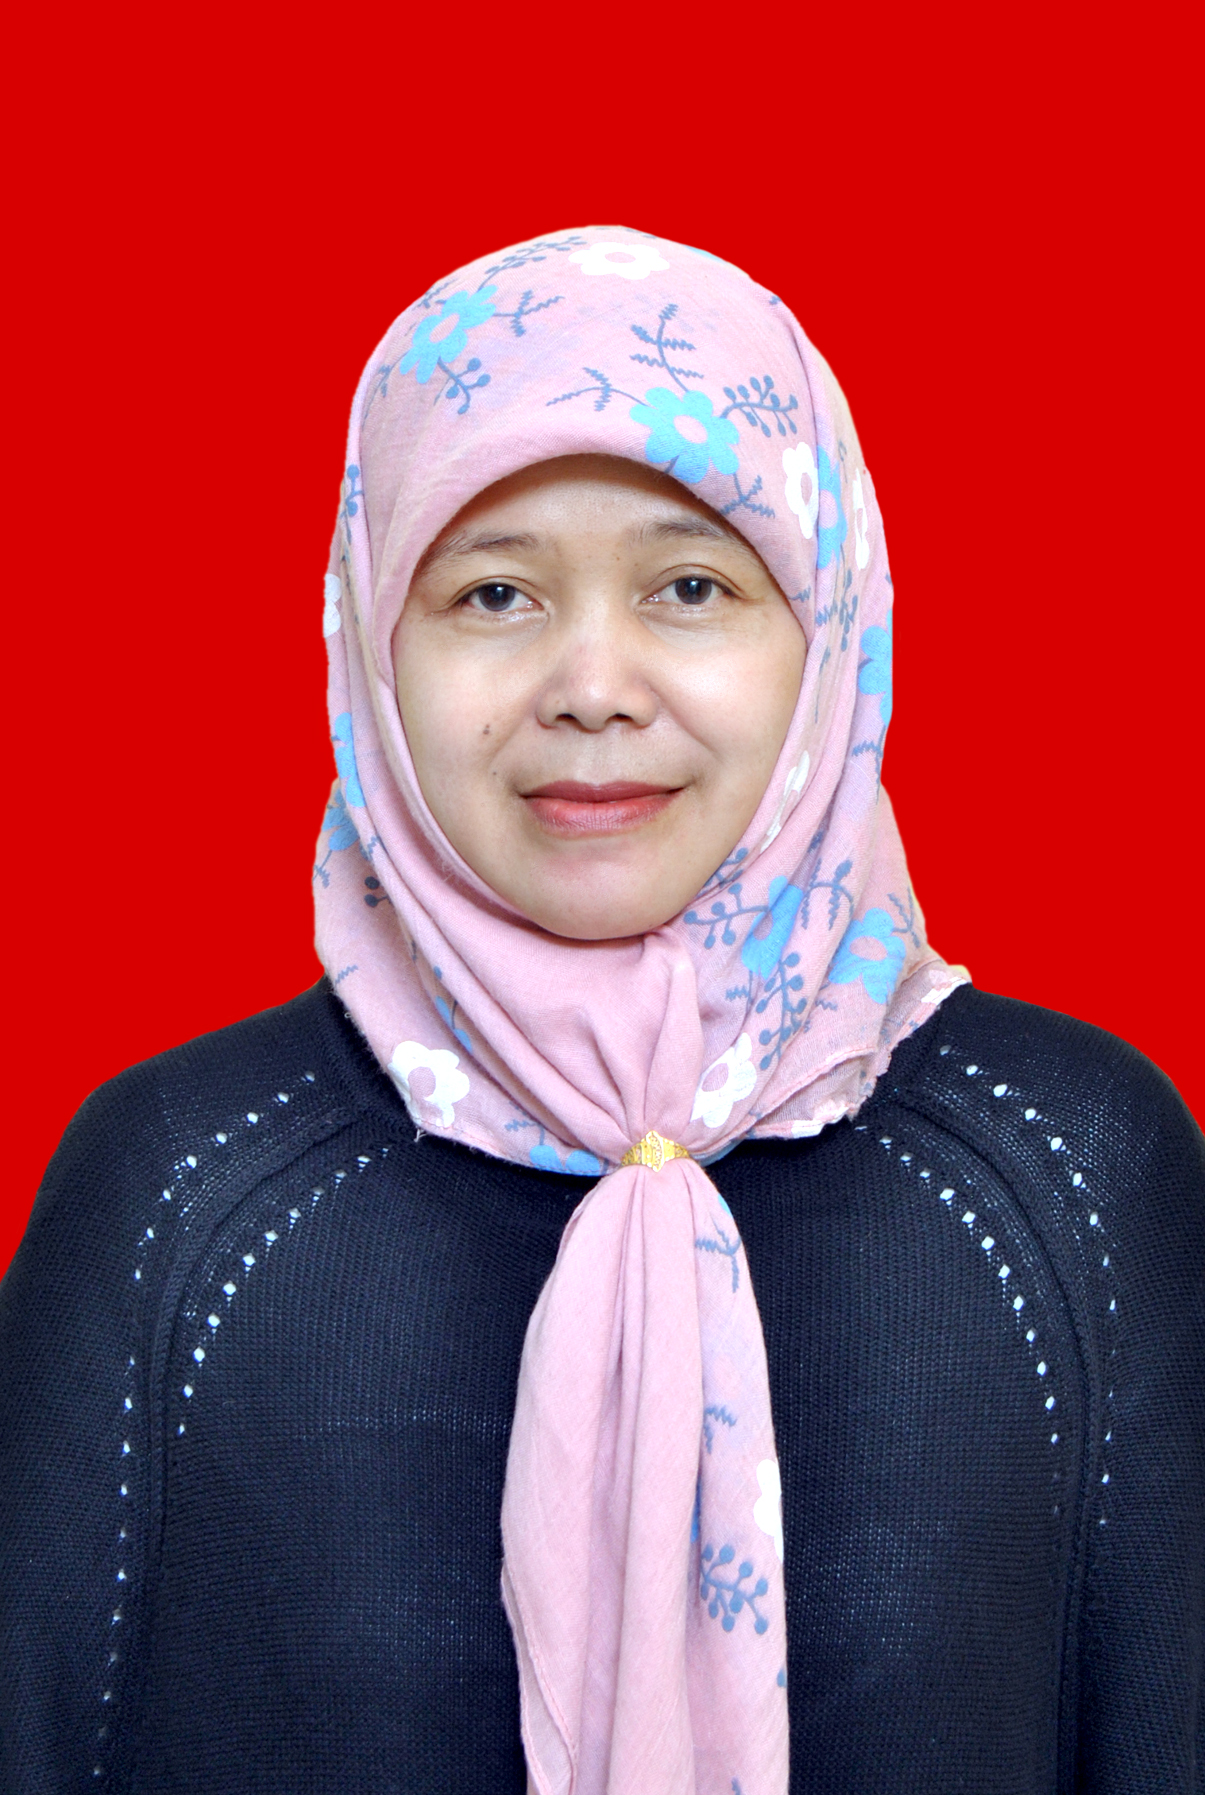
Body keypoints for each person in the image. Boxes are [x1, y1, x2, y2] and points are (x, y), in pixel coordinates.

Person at [1, 227, 1201, 1795]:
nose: (590, 683)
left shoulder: (1068, 1171)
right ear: (372, 639)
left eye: (690, 586)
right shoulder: (178, 1194)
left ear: (828, 628)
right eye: (492, 592)